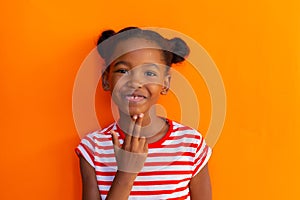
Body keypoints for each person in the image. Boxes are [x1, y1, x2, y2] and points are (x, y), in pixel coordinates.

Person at [76, 27, 212, 200]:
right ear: (105, 79)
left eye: (149, 73)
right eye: (123, 71)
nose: (135, 81)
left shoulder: (190, 144)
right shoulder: (93, 148)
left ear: (165, 83)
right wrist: (126, 174)